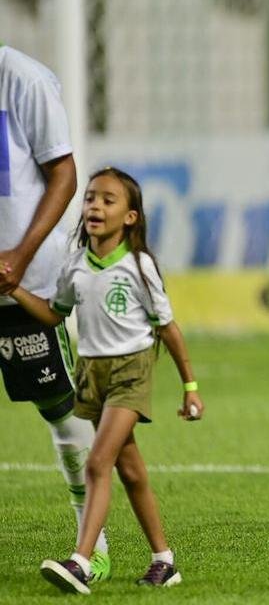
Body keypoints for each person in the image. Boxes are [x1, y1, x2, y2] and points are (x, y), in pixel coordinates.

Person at [6, 167, 203, 594]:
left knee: (98, 463)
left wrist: (190, 387)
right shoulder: (75, 264)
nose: (95, 205)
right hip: (90, 374)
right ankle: (164, 561)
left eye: (108, 200)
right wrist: (16, 290)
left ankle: (81, 560)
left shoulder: (139, 266)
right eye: (91, 197)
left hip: (130, 372)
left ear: (130, 217)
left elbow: (168, 328)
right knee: (130, 471)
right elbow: (54, 315)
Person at [0, 44, 114, 582]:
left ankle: (94, 547)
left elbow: (63, 175)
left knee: (62, 413)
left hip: (25, 284)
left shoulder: (19, 77)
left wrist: (18, 259)